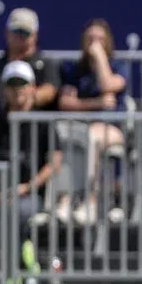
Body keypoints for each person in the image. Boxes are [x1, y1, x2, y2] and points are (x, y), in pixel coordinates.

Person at [0, 61, 62, 277]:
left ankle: (15, 271)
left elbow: (54, 163)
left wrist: (26, 187)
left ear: (32, 87)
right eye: (11, 84)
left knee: (16, 211)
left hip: (28, 195)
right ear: (4, 89)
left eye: (22, 84)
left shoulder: (42, 121)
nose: (17, 89)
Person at [57, 18, 129, 225]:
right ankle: (64, 199)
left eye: (99, 39)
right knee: (63, 136)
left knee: (92, 136)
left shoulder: (119, 67)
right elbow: (65, 102)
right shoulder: (73, 70)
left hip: (112, 130)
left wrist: (99, 58)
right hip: (79, 128)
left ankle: (90, 200)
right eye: (90, 39)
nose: (94, 43)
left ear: (108, 42)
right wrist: (95, 102)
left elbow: (108, 84)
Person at [0, 8, 61, 123]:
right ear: (7, 32)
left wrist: (21, 99)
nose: (20, 36)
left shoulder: (46, 65)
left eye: (25, 32)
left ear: (35, 35)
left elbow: (49, 91)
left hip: (32, 132)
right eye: (16, 31)